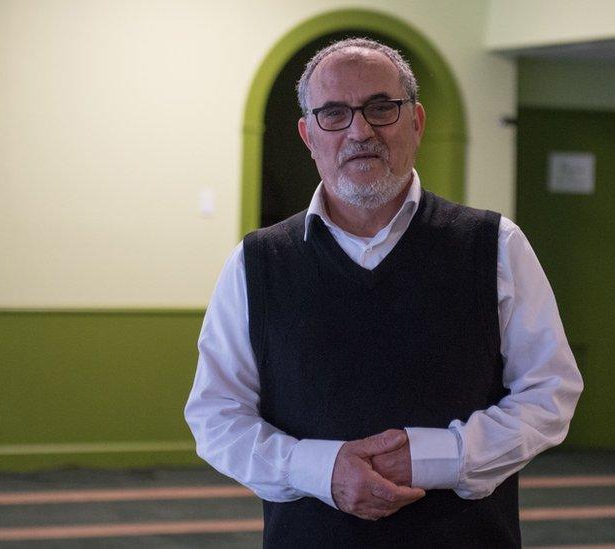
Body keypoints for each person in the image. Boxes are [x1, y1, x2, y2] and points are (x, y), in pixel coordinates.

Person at [185, 37, 583, 548]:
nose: (360, 131)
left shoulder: (494, 246)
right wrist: (322, 470)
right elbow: (215, 415)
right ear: (309, 135)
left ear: (415, 122)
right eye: (334, 114)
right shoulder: (257, 262)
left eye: (381, 108)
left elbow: (549, 393)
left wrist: (437, 457)